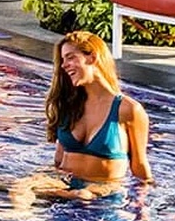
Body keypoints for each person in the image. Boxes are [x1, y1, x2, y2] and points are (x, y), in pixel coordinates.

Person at [11, 31, 152, 208]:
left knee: (83, 195)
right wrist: (37, 180)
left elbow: (139, 168)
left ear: (92, 57)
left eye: (70, 57)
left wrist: (144, 213)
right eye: (63, 60)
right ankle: (20, 217)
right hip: (64, 189)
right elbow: (58, 162)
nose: (64, 66)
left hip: (103, 194)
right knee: (17, 187)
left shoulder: (129, 110)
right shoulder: (69, 106)